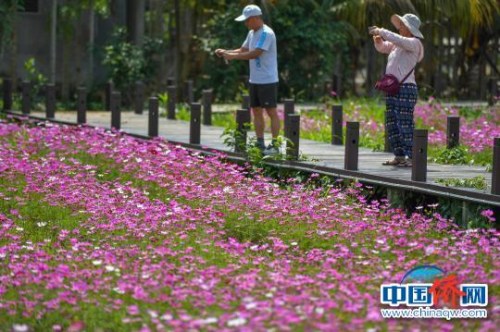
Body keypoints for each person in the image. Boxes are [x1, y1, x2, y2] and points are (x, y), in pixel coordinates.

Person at [215, 4, 280, 155]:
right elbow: (244, 50)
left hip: (267, 80)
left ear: (257, 18)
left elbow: (255, 53)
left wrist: (233, 57)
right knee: (256, 111)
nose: (246, 23)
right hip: (255, 80)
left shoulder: (266, 33)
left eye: (248, 20)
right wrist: (227, 51)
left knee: (271, 111)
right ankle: (260, 143)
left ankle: (275, 145)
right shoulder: (252, 33)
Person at [370, 14, 424, 167]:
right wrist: (378, 39)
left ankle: (413, 158)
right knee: (392, 123)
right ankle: (399, 156)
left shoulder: (414, 43)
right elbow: (383, 47)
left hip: (406, 88)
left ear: (409, 28)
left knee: (405, 123)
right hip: (392, 88)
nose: (399, 27)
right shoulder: (397, 45)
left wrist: (382, 31)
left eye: (402, 25)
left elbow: (396, 39)